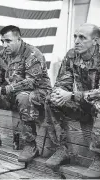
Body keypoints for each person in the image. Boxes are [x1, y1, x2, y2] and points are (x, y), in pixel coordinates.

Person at [0, 25, 52, 163]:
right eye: (2, 41)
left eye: (8, 41)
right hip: (13, 94)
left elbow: (31, 83)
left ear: (19, 39)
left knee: (24, 96)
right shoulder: (2, 55)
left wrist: (2, 90)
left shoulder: (32, 54)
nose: (4, 45)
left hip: (38, 94)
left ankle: (30, 145)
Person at [44, 23, 100, 178]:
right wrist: (58, 93)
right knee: (50, 100)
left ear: (95, 41)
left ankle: (98, 158)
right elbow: (62, 82)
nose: (76, 41)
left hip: (95, 103)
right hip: (83, 104)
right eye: (75, 36)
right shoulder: (72, 55)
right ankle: (61, 150)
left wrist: (73, 96)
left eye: (82, 37)